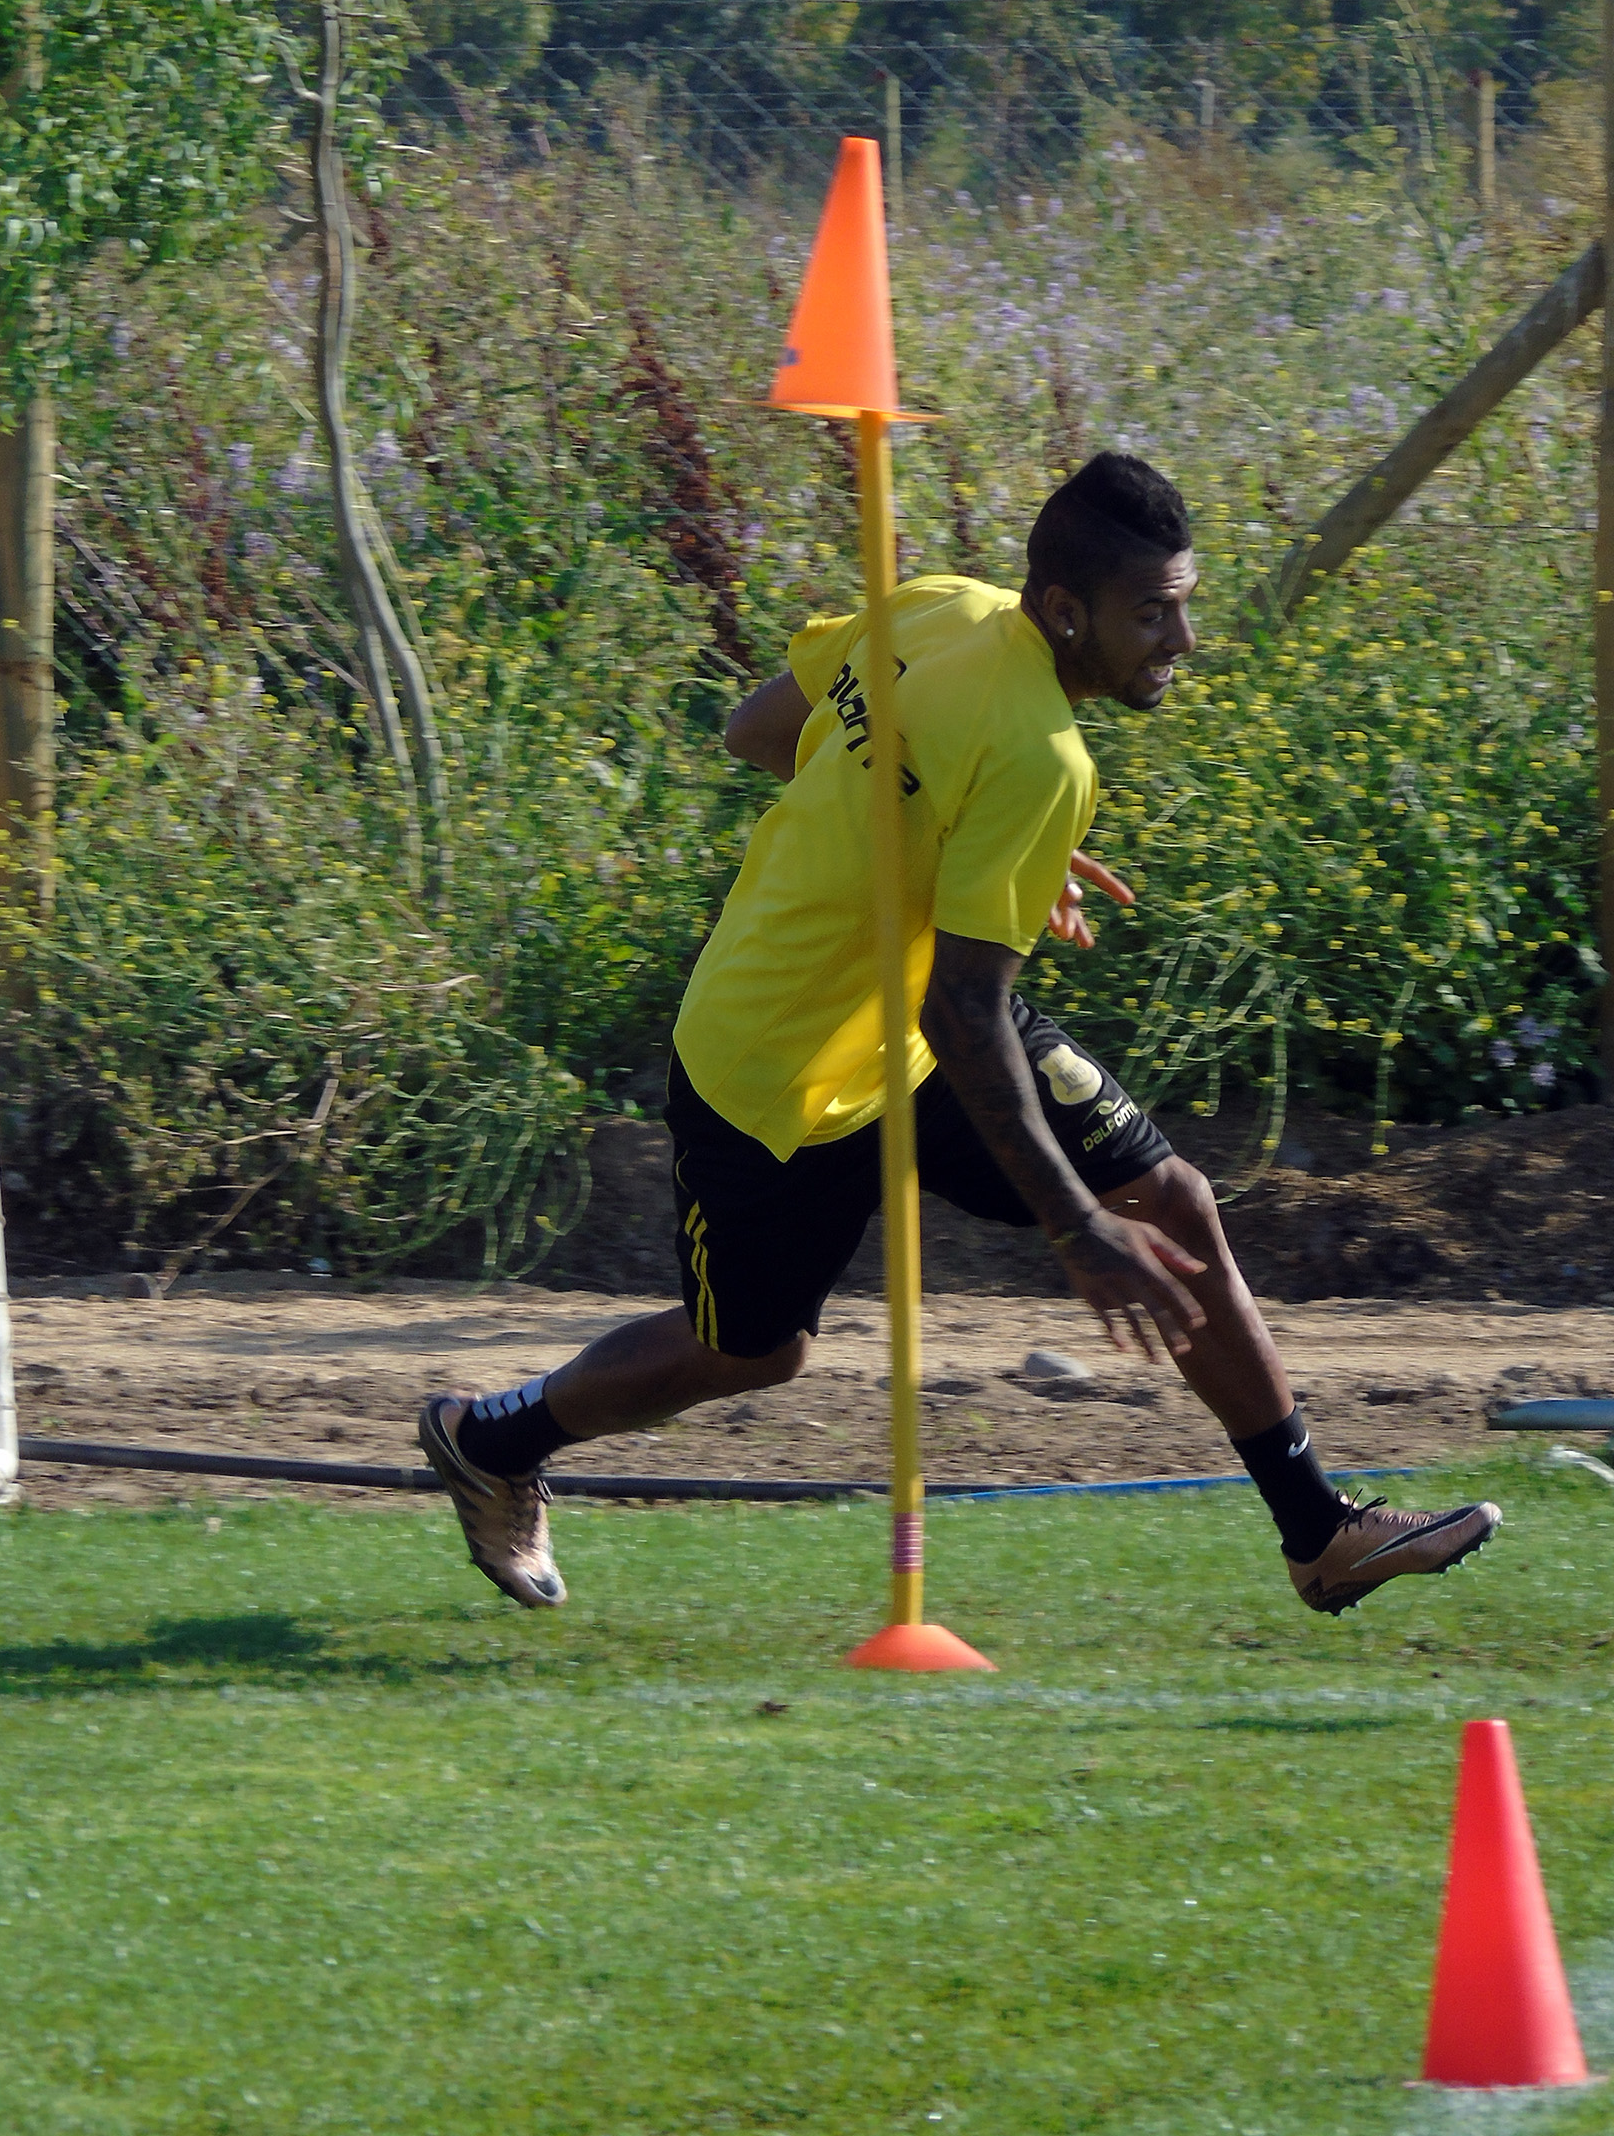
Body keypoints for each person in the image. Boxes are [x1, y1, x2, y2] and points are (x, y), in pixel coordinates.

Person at [418, 452, 1499, 1617]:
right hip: (776, 1067)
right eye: (1152, 613)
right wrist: (1074, 1228)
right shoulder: (1039, 756)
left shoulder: (940, 606)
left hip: (917, 1033)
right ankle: (490, 1439)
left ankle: (1319, 1534)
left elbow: (760, 731)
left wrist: (961, 844)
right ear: (1065, 610)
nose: (1181, 640)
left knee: (1171, 1202)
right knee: (752, 1353)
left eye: (1182, 605)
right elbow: (965, 1011)